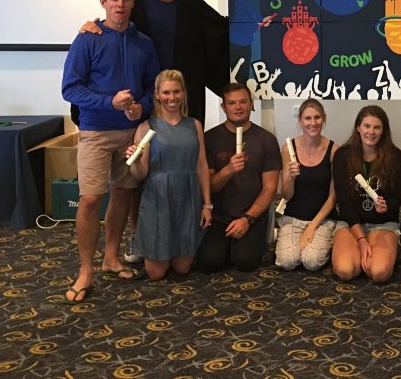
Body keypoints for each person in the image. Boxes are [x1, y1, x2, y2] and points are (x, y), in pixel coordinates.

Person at [79, 0, 229, 263]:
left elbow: (220, 30)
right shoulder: (139, 2)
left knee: (183, 165)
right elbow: (113, 25)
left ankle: (184, 234)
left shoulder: (191, 3)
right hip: (146, 101)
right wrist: (91, 22)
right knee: (143, 173)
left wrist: (254, 21)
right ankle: (142, 237)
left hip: (181, 97)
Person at [61, 0, 159, 302]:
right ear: (103, 2)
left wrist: (141, 108)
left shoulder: (143, 42)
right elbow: (70, 89)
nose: (120, 4)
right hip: (95, 131)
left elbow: (151, 89)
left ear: (132, 3)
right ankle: (85, 270)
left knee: (123, 193)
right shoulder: (87, 39)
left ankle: (111, 258)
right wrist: (109, 103)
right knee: (90, 199)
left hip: (130, 132)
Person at [125, 69, 212, 280]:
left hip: (187, 197)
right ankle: (149, 249)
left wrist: (207, 204)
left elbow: (201, 165)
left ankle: (168, 251)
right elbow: (140, 174)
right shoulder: (146, 127)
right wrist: (134, 161)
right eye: (165, 93)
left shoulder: (195, 125)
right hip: (158, 198)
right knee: (156, 274)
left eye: (176, 92)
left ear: (183, 93)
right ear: (157, 94)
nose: (171, 98)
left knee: (183, 269)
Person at [196, 82, 280, 272]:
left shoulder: (266, 140)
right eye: (232, 103)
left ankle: (238, 246)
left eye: (243, 102)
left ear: (251, 104)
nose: (238, 107)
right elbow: (208, 187)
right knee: (209, 263)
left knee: (245, 261)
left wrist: (248, 219)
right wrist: (228, 170)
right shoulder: (210, 138)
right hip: (218, 215)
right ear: (223, 107)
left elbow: (270, 188)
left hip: (250, 214)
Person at [331, 105, 401, 283]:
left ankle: (377, 256)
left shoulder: (395, 157)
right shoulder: (343, 155)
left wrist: (385, 207)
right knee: (345, 270)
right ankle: (356, 254)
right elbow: (344, 202)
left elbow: (397, 199)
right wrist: (361, 240)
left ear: (383, 130)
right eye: (367, 126)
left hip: (382, 223)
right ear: (358, 127)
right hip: (350, 223)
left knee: (379, 273)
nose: (371, 132)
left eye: (377, 127)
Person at [275, 98, 338, 271]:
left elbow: (333, 197)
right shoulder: (288, 148)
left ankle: (327, 240)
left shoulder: (334, 150)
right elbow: (286, 195)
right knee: (287, 262)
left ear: (323, 119)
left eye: (317, 118)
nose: (313, 123)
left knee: (311, 262)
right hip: (293, 217)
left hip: (323, 219)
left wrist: (312, 226)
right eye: (307, 118)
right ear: (300, 120)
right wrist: (291, 178)